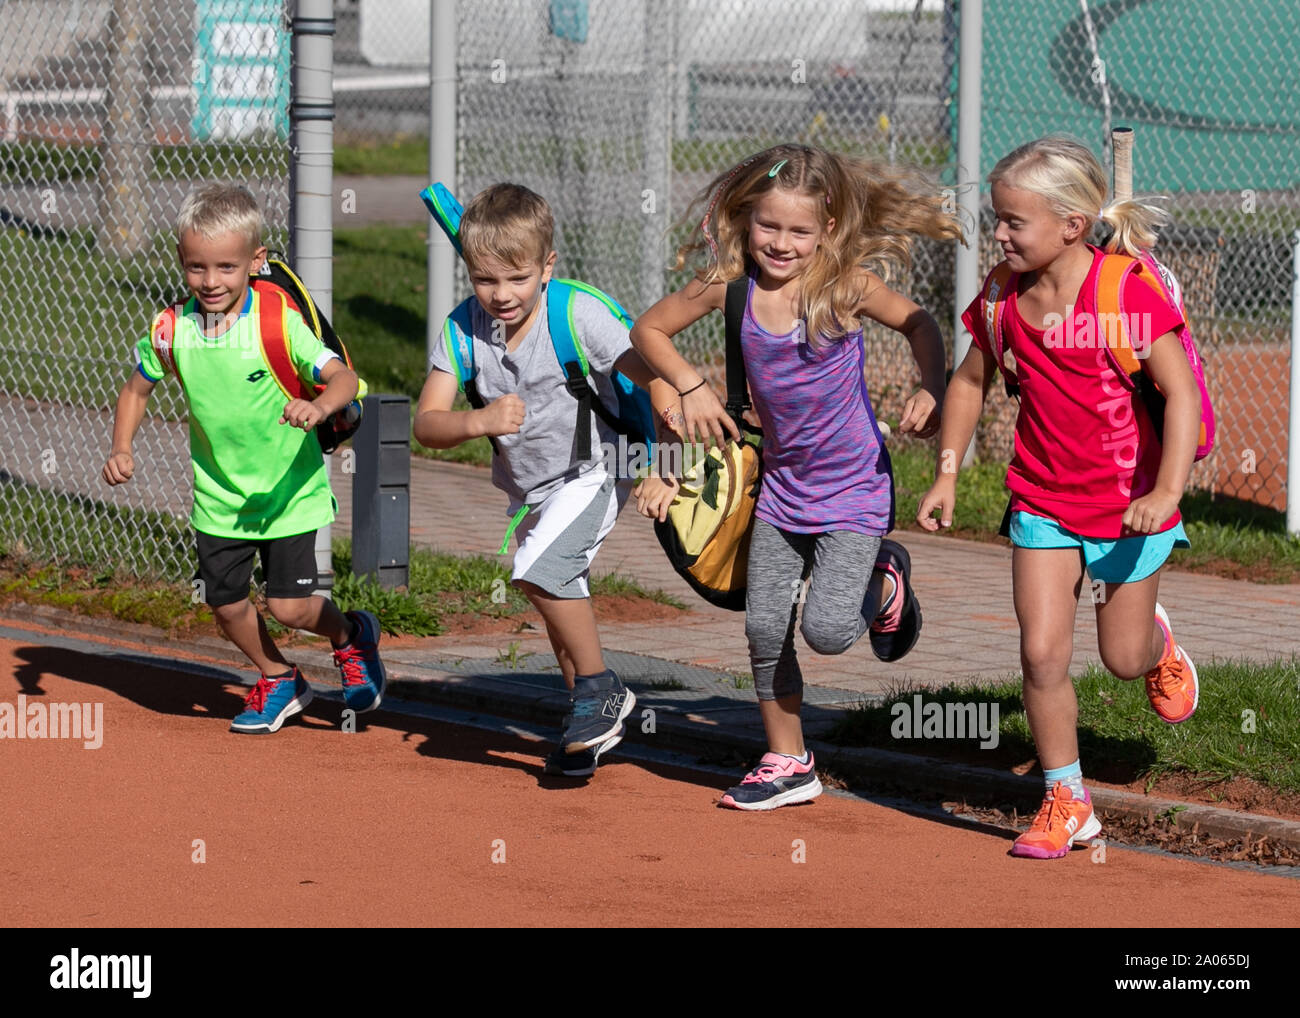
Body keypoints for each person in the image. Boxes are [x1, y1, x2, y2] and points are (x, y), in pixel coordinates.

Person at [631, 143, 960, 810]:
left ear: (828, 231)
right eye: (769, 226)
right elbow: (648, 332)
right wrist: (690, 386)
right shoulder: (731, 286)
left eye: (799, 231)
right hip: (781, 488)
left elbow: (920, 323)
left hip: (854, 487)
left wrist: (932, 386)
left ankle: (884, 573)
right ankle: (788, 758)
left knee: (831, 632)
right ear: (747, 218)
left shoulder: (843, 288)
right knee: (763, 628)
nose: (780, 243)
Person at [917, 136, 1201, 858]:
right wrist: (948, 471)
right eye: (996, 219)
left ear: (1072, 225)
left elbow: (1181, 393)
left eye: (1015, 222)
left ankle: (1157, 642)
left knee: (1123, 658)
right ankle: (1066, 798)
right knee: (1041, 655)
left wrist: (1166, 490)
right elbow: (971, 382)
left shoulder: (1123, 292)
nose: (1000, 234)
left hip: (1131, 506)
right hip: (1041, 501)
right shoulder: (1001, 297)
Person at [413, 182, 678, 778]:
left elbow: (657, 375)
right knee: (562, 600)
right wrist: (477, 419)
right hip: (530, 487)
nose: (501, 295)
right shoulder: (461, 331)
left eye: (517, 278)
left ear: (547, 266)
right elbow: (426, 424)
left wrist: (668, 468)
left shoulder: (577, 313)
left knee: (538, 568)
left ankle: (600, 691)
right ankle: (589, 727)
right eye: (485, 279)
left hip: (604, 467)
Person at [103, 183, 386, 735]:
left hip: (288, 490)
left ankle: (351, 636)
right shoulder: (171, 331)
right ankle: (279, 677)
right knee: (226, 604)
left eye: (226, 267)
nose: (211, 282)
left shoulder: (278, 321)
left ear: (256, 262)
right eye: (197, 267)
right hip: (220, 499)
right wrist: (121, 447)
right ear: (182, 263)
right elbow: (136, 391)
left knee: (291, 608)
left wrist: (320, 403)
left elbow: (344, 378)